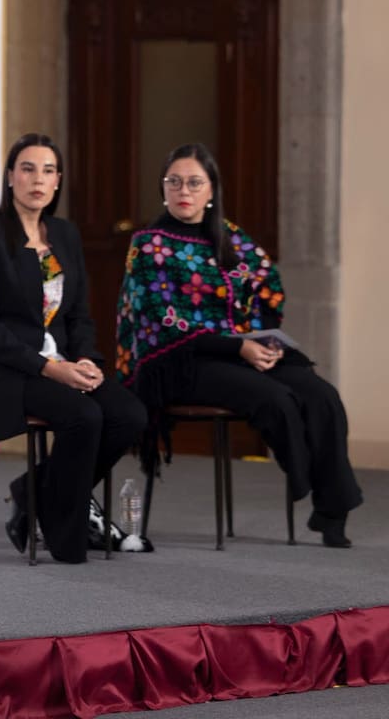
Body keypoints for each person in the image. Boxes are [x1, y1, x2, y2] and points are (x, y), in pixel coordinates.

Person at [115, 142, 361, 548]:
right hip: (182, 362)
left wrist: (260, 340)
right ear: (164, 188)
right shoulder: (149, 244)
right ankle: (303, 478)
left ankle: (332, 509)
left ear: (212, 190)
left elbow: (269, 286)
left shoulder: (229, 237)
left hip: (238, 349)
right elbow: (162, 321)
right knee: (275, 399)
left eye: (195, 182)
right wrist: (237, 348)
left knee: (322, 395)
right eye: (173, 182)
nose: (184, 191)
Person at [0, 133, 148, 563]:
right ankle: (67, 538)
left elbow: (78, 315)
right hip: (2, 372)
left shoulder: (64, 235)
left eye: (47, 171)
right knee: (83, 416)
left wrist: (85, 360)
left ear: (58, 181)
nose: (37, 180)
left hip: (60, 364)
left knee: (128, 415)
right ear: (10, 177)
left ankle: (34, 493)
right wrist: (49, 369)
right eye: (27, 169)